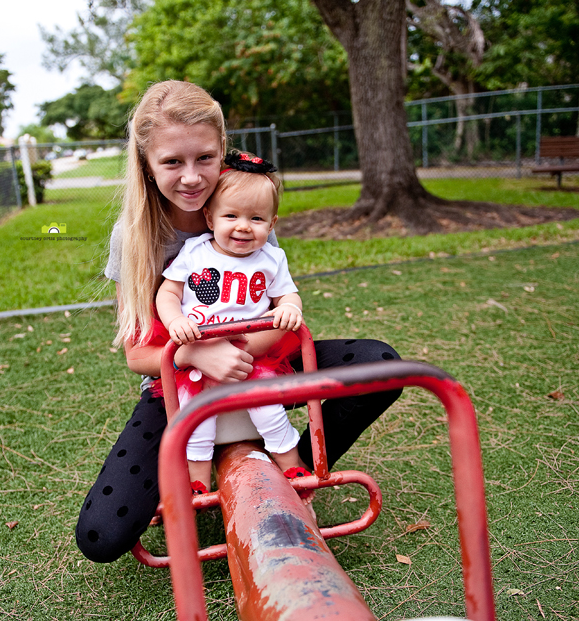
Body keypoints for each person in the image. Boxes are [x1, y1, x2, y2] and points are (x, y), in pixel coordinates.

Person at [76, 80, 403, 564]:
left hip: (263, 364)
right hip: (180, 383)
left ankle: (281, 472)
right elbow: (136, 352)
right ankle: (204, 462)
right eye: (171, 162)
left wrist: (244, 355)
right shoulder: (134, 237)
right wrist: (197, 352)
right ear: (146, 164)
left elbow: (280, 309)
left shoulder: (246, 203)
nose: (191, 176)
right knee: (102, 535)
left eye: (205, 158)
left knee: (381, 366)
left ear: (221, 149)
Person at [155, 151, 307, 495]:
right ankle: (197, 483)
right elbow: (167, 293)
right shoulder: (195, 252)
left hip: (250, 357)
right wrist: (176, 319)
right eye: (231, 215)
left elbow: (288, 297)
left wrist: (289, 309)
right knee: (197, 421)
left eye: (256, 218)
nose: (243, 226)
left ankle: (294, 468)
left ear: (272, 224)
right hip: (200, 352)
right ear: (210, 219)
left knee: (270, 410)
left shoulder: (271, 258)